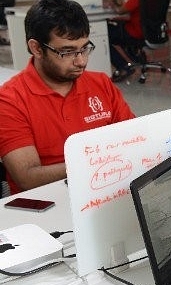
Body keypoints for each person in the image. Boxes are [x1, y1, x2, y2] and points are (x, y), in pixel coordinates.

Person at [0, 0, 136, 195]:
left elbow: (135, 141)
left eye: (84, 48)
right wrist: (99, 163)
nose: (81, 61)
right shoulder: (10, 100)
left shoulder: (101, 84)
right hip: (47, 203)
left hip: (105, 189)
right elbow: (27, 178)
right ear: (37, 49)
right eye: (67, 52)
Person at [107, 0, 143, 82]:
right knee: (114, 32)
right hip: (151, 33)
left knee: (106, 35)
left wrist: (112, 4)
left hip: (134, 32)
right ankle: (131, 60)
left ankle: (123, 66)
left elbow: (120, 11)